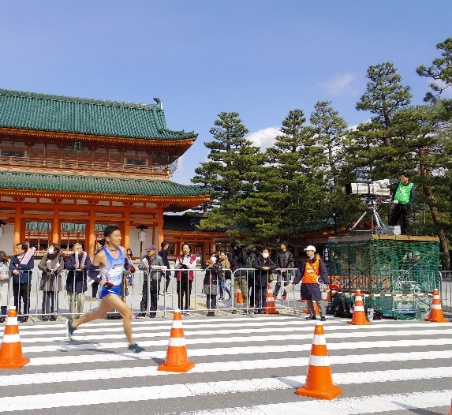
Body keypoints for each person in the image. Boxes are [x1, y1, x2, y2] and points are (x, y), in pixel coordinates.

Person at [66, 224, 144, 353]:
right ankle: (131, 344)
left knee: (99, 314)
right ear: (107, 238)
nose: (119, 238)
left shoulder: (123, 250)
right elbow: (90, 272)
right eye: (116, 236)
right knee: (127, 313)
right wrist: (102, 282)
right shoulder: (101, 255)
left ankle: (73, 324)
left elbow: (125, 263)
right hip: (108, 290)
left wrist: (130, 268)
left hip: (118, 288)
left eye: (120, 235)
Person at [293, 245, 329, 321]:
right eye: (306, 251)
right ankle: (312, 315)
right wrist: (295, 281)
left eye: (308, 251)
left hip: (314, 283)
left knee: (318, 299)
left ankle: (322, 315)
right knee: (308, 300)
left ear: (313, 251)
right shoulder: (305, 261)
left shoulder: (319, 261)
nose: (307, 252)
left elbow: (323, 271)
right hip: (306, 283)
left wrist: (326, 281)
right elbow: (300, 272)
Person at [38, 243, 65, 321]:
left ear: (55, 250)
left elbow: (62, 266)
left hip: (56, 279)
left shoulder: (59, 257)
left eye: (51, 248)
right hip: (46, 278)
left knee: (55, 298)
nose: (49, 249)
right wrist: (45, 268)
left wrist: (57, 270)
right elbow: (40, 265)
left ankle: (54, 314)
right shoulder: (46, 256)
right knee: (46, 298)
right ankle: (45, 315)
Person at [65, 243, 92, 319]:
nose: (76, 250)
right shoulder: (71, 257)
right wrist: (73, 266)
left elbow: (90, 265)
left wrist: (85, 266)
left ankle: (79, 314)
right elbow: (67, 265)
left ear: (81, 249)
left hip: (81, 280)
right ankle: (73, 314)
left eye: (78, 248)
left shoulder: (86, 257)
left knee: (81, 300)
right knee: (71, 299)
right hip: (71, 281)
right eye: (75, 249)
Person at [137, 245, 165, 318]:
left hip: (155, 280)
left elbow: (163, 268)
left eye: (149, 251)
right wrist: (144, 267)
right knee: (144, 296)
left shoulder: (159, 258)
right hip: (147, 279)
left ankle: (153, 312)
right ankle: (142, 312)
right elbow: (139, 266)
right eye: (147, 251)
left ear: (154, 251)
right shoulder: (144, 258)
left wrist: (160, 272)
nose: (148, 252)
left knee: (154, 296)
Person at [9, 243, 35, 323]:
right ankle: (18, 314)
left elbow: (31, 266)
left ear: (23, 250)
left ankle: (25, 315)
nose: (16, 250)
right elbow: (11, 265)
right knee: (16, 298)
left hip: (25, 280)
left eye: (18, 248)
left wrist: (19, 266)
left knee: (26, 299)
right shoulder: (14, 257)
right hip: (16, 281)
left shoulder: (29, 257)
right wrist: (13, 269)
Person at [252, 247, 277, 314]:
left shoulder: (269, 259)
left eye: (267, 252)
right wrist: (262, 268)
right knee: (257, 295)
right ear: (262, 252)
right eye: (264, 252)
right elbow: (254, 264)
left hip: (265, 279)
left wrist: (269, 267)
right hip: (257, 279)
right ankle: (256, 308)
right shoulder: (258, 258)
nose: (266, 253)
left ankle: (262, 308)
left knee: (263, 295)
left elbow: (274, 265)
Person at [174, 243, 197, 315]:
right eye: (184, 248)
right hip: (180, 277)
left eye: (186, 248)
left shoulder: (193, 257)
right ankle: (180, 309)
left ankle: (187, 309)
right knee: (180, 293)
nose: (185, 249)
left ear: (189, 249)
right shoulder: (179, 257)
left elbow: (193, 267)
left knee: (188, 293)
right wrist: (179, 264)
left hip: (188, 277)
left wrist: (186, 265)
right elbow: (175, 267)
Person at [230, 242, 249, 314]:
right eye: (235, 247)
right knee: (234, 293)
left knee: (244, 292)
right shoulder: (231, 254)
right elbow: (233, 262)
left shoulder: (242, 253)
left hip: (242, 274)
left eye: (237, 247)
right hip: (234, 275)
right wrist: (237, 255)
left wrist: (241, 251)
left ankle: (246, 307)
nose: (236, 248)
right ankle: (234, 307)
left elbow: (245, 261)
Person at [0, 251, 9, 323]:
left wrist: (3, 277)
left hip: (3, 284)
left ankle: (3, 315)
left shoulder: (7, 264)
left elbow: (9, 274)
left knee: (3, 300)